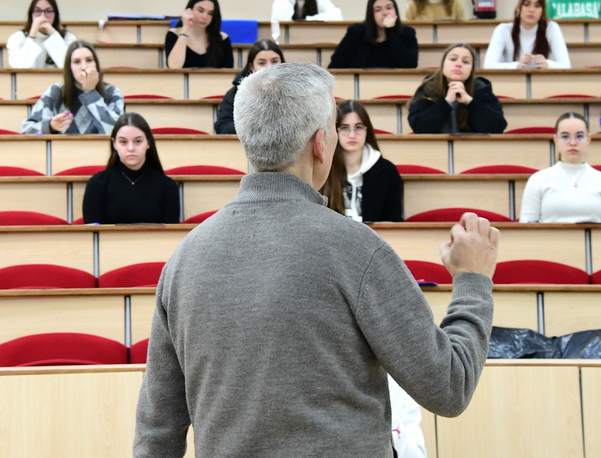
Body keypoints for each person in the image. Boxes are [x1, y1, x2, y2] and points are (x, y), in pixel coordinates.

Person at [133, 62, 500, 457]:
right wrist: (472, 281)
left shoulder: (185, 259)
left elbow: (157, 433)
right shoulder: (356, 249)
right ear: (320, 143)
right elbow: (449, 386)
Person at [519, 113, 601, 223]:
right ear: (556, 140)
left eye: (579, 136)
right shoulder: (537, 180)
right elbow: (527, 228)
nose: (572, 143)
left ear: (589, 139)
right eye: (565, 136)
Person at [82, 113, 179, 224]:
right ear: (114, 144)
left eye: (138, 141)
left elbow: (170, 235)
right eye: (123, 142)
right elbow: (93, 235)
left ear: (148, 143)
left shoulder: (168, 186)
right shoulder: (97, 183)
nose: (131, 148)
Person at [321, 100, 403, 222]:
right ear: (335, 131)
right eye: (345, 128)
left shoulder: (387, 171)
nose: (352, 135)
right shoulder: (324, 168)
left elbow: (394, 221)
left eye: (358, 127)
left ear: (367, 130)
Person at [21, 41, 124, 135]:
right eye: (77, 62)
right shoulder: (55, 91)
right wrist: (50, 126)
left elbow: (117, 133)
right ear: (69, 67)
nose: (84, 67)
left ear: (96, 64)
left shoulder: (112, 92)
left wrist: (91, 93)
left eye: (89, 60)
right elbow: (26, 130)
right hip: (62, 152)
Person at [408, 43, 506, 134]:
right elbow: (419, 128)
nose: (458, 64)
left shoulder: (482, 90)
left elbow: (497, 129)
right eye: (453, 59)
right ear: (443, 64)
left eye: (465, 61)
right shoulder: (428, 89)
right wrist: (446, 103)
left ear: (471, 70)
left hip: (474, 149)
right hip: (435, 149)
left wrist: (470, 102)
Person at [483, 0, 571, 69]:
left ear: (542, 12)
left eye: (537, 6)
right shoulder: (503, 30)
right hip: (512, 82)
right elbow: (488, 65)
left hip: (542, 82)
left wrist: (547, 64)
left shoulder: (551, 28)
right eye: (526, 4)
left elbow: (566, 65)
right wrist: (516, 65)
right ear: (518, 8)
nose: (531, 10)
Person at [329, 0, 418, 69]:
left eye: (389, 8)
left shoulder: (408, 33)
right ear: (371, 14)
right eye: (378, 10)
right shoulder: (355, 33)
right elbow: (335, 64)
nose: (385, 13)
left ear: (396, 11)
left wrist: (390, 31)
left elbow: (410, 65)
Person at [215, 39, 285, 134]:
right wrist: (253, 123)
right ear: (252, 67)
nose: (269, 67)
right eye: (262, 63)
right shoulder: (236, 93)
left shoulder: (297, 90)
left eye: (274, 61)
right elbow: (222, 127)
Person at [6, 0, 78, 69]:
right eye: (37, 11)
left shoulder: (68, 38)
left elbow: (69, 67)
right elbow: (20, 68)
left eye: (48, 11)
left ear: (55, 15)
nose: (43, 16)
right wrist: (33, 33)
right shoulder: (17, 38)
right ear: (31, 14)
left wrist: (53, 33)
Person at [166, 0, 234, 69]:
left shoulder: (223, 39)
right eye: (201, 11)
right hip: (183, 81)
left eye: (210, 13)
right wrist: (185, 28)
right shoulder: (174, 35)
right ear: (190, 10)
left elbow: (228, 74)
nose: (205, 17)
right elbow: (174, 67)